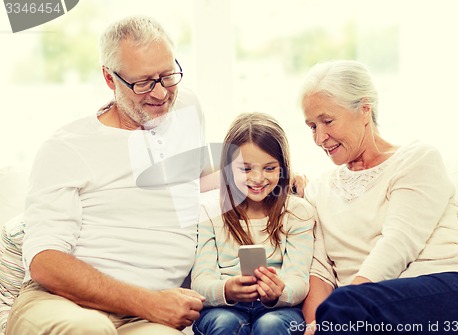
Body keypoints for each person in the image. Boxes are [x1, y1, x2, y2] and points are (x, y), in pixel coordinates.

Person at [6, 15, 210, 335]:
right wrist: (149, 302)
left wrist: (278, 178)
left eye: (168, 75)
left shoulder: (186, 107)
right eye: (143, 82)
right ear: (109, 78)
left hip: (146, 319)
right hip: (65, 304)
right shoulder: (68, 147)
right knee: (90, 329)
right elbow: (45, 261)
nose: (160, 93)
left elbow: (198, 179)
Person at [298, 60, 458, 334]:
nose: (320, 138)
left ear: (364, 110)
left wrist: (340, 312)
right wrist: (313, 326)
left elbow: (398, 241)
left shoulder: (416, 159)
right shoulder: (318, 190)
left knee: (344, 306)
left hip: (453, 294)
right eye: (311, 127)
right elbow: (320, 271)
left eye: (327, 121)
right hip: (364, 314)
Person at [190, 112, 315, 335]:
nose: (257, 178)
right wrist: (226, 290)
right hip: (224, 308)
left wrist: (280, 291)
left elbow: (299, 280)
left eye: (269, 168)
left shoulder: (297, 212)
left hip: (279, 309)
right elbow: (201, 281)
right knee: (223, 324)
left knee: (270, 326)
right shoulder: (211, 212)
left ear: (283, 168)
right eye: (246, 169)